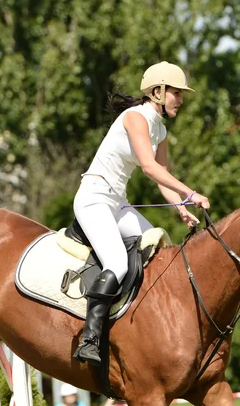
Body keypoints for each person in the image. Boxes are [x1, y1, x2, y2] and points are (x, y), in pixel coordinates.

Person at [72, 62, 211, 366]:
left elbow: (161, 174)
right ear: (158, 92)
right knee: (118, 264)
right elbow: (148, 167)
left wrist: (181, 209)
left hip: (117, 203)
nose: (181, 100)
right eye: (177, 93)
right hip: (93, 198)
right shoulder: (135, 118)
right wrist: (191, 194)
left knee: (156, 247)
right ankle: (90, 338)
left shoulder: (159, 129)